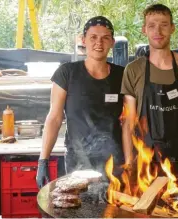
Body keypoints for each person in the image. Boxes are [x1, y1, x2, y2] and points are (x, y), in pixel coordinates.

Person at [36, 16, 125, 188]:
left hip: (114, 163)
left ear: (112, 42)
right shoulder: (67, 73)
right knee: (78, 209)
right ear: (83, 40)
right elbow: (54, 118)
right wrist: (43, 161)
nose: (99, 42)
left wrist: (132, 161)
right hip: (78, 162)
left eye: (105, 37)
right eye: (93, 37)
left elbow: (130, 122)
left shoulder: (122, 75)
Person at [121, 4, 178, 173]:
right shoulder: (133, 69)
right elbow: (128, 122)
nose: (158, 31)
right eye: (152, 25)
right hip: (145, 159)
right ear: (144, 30)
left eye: (164, 25)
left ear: (172, 28)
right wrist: (128, 163)